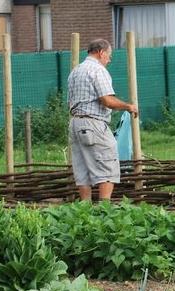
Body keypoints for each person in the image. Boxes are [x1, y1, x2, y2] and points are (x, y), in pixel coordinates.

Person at [68, 39, 138, 202]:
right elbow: (106, 100)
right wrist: (128, 106)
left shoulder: (76, 71)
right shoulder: (97, 70)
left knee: (82, 168)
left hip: (75, 123)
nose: (109, 59)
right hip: (93, 123)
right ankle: (104, 210)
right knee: (108, 164)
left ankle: (84, 209)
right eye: (109, 55)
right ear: (101, 52)